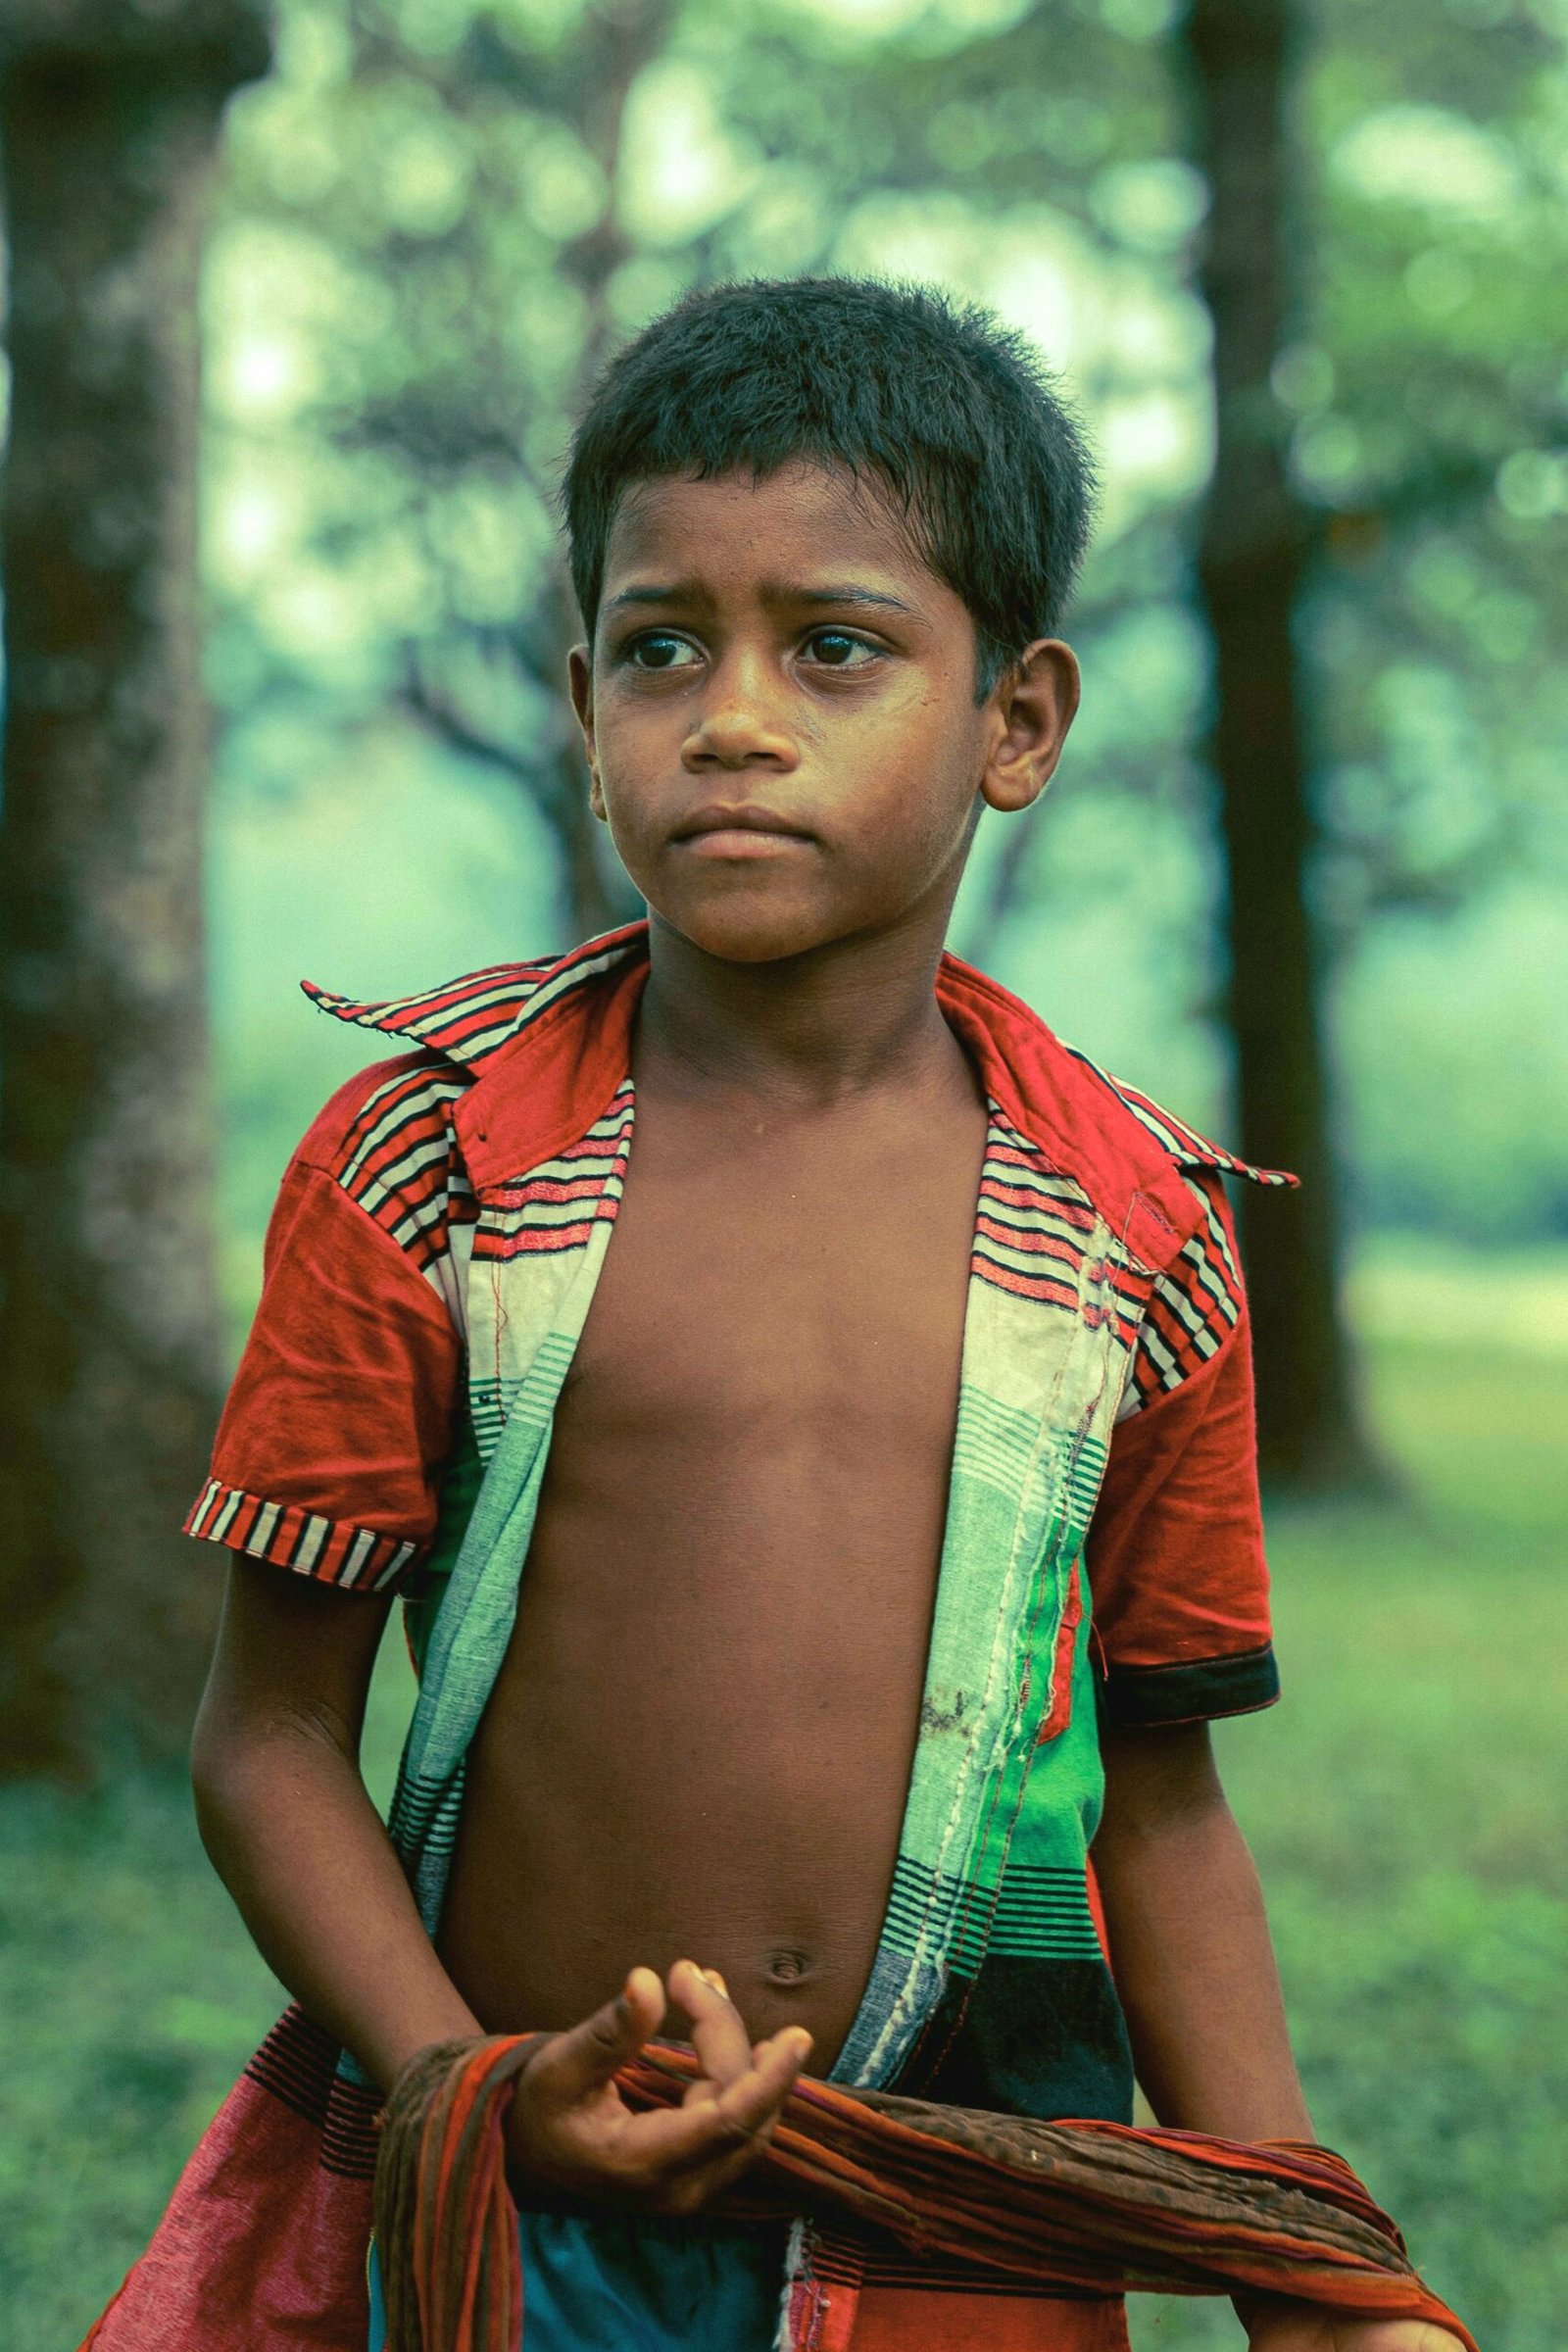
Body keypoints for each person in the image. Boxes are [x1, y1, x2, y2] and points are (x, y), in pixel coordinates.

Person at [82, 278, 1467, 2352]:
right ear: (581, 706)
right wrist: (471, 2089)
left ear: (1015, 723)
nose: (731, 716)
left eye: (831, 646)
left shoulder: (1135, 1245)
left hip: (953, 2223)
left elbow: (1160, 1805)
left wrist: (1306, 2268)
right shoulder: (431, 1173)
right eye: (661, 647)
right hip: (519, 2219)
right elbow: (269, 1739)